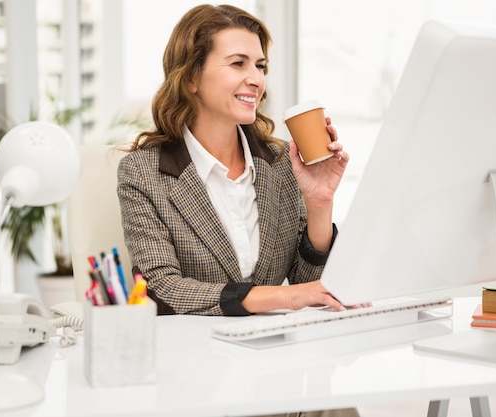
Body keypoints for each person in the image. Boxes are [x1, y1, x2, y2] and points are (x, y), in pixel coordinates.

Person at [117, 5, 359, 416]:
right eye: (238, 63)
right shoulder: (145, 172)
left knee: (339, 406)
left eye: (260, 65)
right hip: (196, 377)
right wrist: (284, 296)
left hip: (278, 366)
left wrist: (320, 202)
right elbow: (164, 288)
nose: (256, 79)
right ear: (191, 76)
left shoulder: (280, 162)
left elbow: (310, 283)